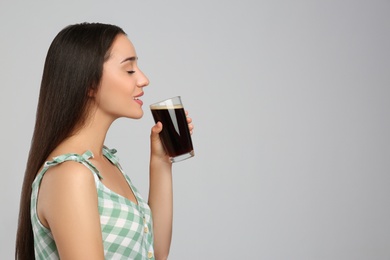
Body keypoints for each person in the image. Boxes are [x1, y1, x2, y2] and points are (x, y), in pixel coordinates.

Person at [15, 22, 193, 260]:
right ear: (89, 83)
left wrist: (161, 162)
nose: (143, 79)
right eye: (129, 70)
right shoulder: (71, 175)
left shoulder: (104, 162)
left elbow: (155, 252)